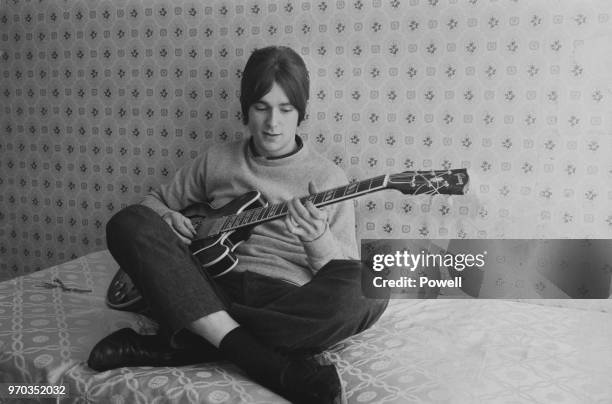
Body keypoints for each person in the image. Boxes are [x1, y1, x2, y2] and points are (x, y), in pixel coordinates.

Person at [88, 46, 388, 404]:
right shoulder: (217, 159)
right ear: (246, 109)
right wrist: (169, 218)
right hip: (208, 287)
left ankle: (196, 341)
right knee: (127, 223)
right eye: (261, 107)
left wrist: (317, 238)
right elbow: (152, 201)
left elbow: (340, 272)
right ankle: (256, 354)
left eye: (285, 109)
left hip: (281, 300)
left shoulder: (328, 179)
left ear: (301, 113)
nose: (272, 123)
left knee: (370, 285)